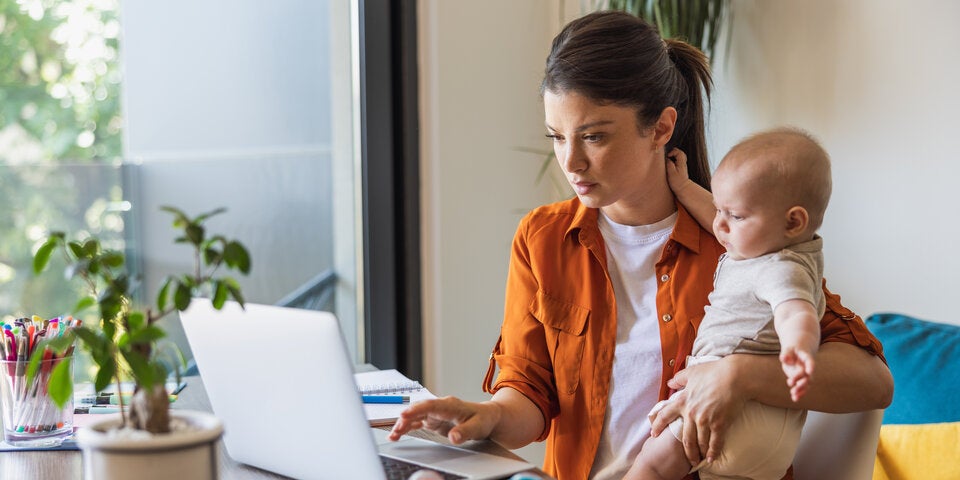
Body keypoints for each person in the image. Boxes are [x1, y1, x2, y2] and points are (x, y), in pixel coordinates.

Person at [388, 11, 892, 480]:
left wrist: (738, 374)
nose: (572, 163)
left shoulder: (737, 242)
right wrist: (486, 416)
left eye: (594, 137)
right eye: (557, 137)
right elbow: (530, 396)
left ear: (662, 128)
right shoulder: (542, 240)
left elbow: (873, 381)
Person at [624, 128, 832, 480]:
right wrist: (686, 188)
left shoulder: (780, 269)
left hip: (736, 409)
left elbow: (794, 310)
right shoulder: (770, 245)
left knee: (653, 464)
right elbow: (719, 221)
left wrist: (800, 345)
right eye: (720, 209)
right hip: (764, 428)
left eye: (735, 216)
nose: (719, 224)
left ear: (793, 221)